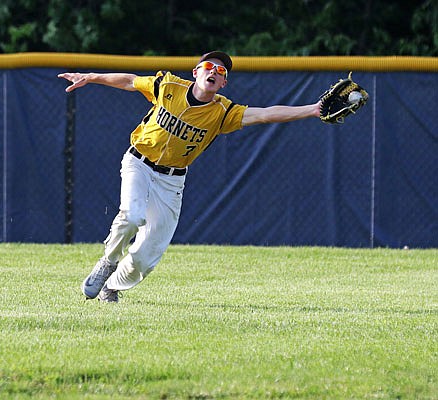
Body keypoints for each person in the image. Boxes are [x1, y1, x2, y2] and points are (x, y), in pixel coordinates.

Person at [58, 51, 321, 303]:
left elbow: (265, 114)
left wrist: (311, 109)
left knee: (147, 257)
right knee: (133, 215)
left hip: (171, 181)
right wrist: (91, 76)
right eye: (209, 67)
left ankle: (112, 287)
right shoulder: (169, 85)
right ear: (196, 72)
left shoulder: (222, 112)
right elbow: (130, 81)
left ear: (223, 83)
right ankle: (109, 260)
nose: (214, 72)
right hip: (138, 162)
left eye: (220, 71)